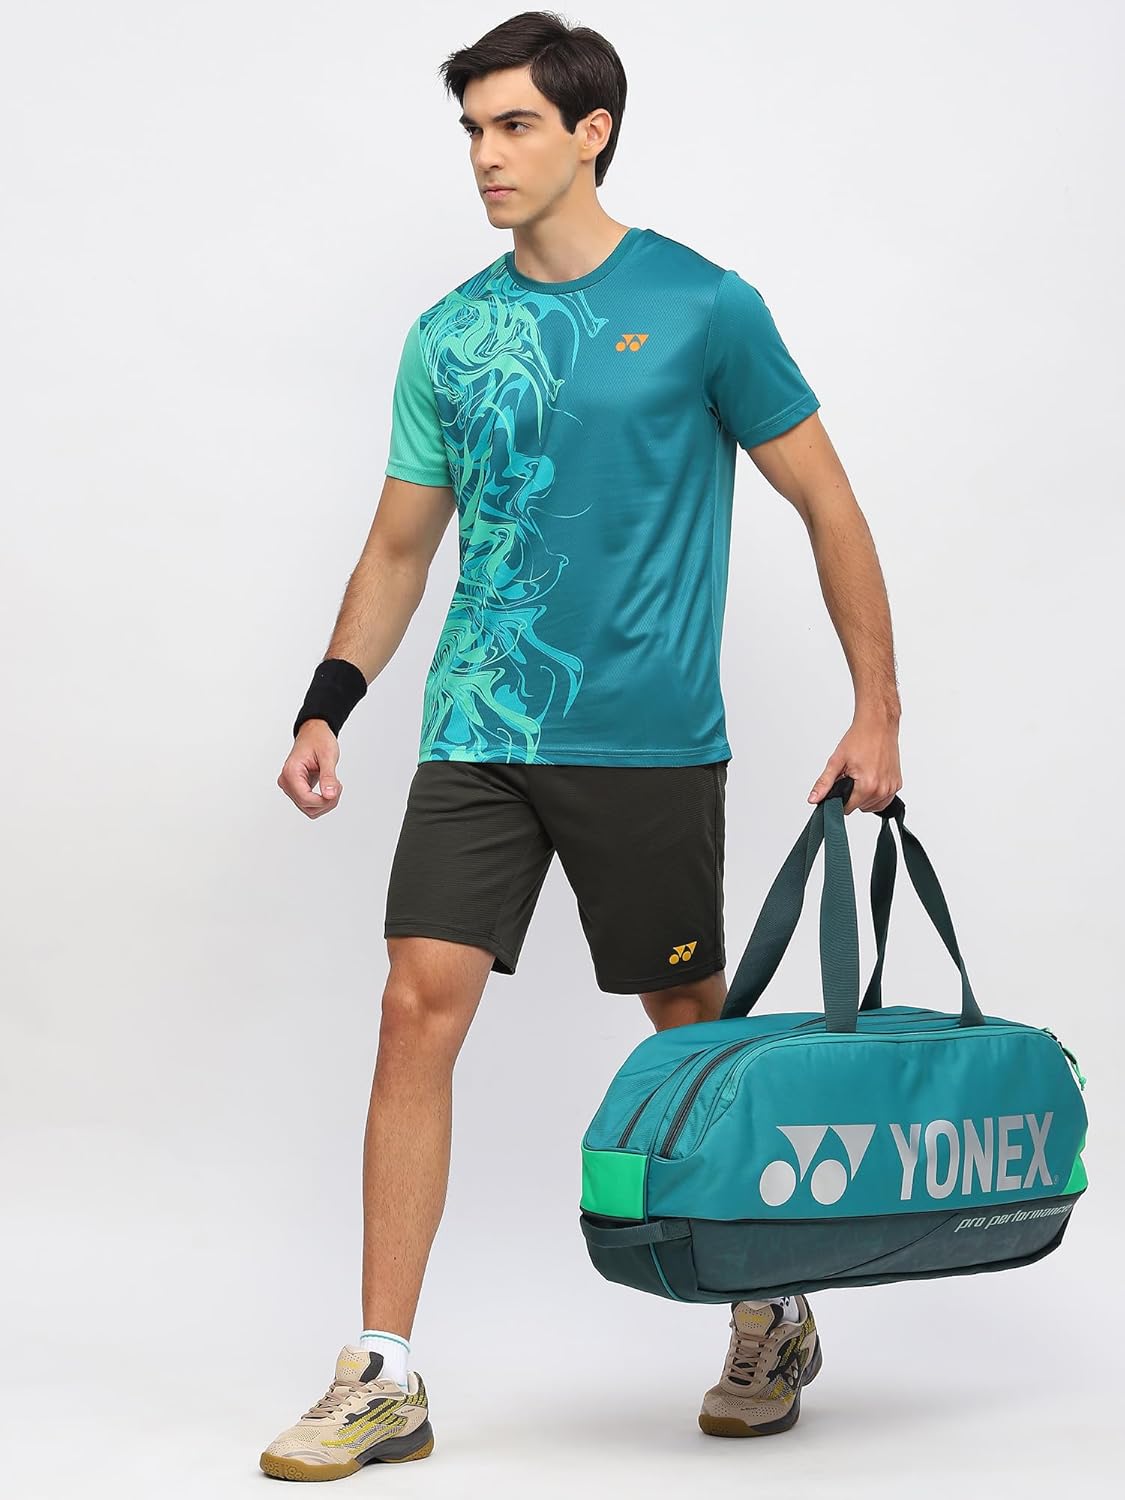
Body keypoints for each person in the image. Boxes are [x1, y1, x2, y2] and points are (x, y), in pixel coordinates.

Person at [262, 9, 902, 1481]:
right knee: (414, 1007)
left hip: (647, 743)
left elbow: (829, 503)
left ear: (590, 132)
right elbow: (400, 546)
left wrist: (876, 709)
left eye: (515, 127)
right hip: (478, 729)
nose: (486, 157)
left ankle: (769, 1311)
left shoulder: (702, 306)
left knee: (688, 1031)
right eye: (472, 130)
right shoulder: (449, 335)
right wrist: (328, 700)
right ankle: (384, 1371)